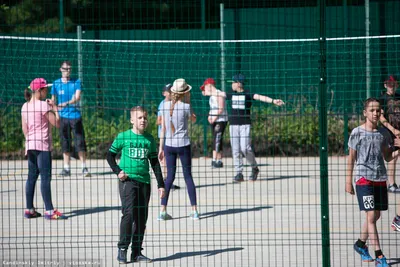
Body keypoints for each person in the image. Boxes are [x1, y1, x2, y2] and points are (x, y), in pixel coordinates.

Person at [106, 106, 165, 264]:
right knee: (129, 214)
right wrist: (118, 171)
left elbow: (154, 162)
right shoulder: (123, 137)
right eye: (139, 118)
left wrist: (161, 184)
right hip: (128, 181)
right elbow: (110, 156)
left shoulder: (149, 139)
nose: (143, 120)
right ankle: (122, 249)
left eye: (145, 117)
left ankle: (137, 252)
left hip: (144, 182)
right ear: (132, 120)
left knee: (141, 218)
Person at [346, 98, 399, 267]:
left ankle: (360, 244)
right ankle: (379, 255)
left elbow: (388, 156)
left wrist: (398, 149)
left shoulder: (383, 133)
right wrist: (348, 180)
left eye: (378, 111)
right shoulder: (357, 132)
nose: (375, 113)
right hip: (363, 180)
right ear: (365, 113)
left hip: (379, 179)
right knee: (370, 216)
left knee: (376, 215)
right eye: (372, 110)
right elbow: (351, 158)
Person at [202, 73, 284, 182]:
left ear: (239, 84)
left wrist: (273, 101)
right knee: (236, 150)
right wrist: (208, 89)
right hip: (233, 126)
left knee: (245, 148)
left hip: (245, 125)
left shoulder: (248, 94)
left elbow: (260, 97)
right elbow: (217, 93)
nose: (232, 85)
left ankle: (254, 168)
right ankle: (238, 173)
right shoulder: (230, 93)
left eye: (233, 83)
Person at [21, 78, 67, 220]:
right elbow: (57, 124)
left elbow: (25, 128)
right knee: (45, 178)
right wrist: (54, 109)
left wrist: (29, 141)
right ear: (39, 91)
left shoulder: (25, 106)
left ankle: (29, 209)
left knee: (31, 177)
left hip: (30, 144)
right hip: (42, 145)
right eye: (45, 88)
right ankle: (49, 211)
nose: (47, 90)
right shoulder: (43, 106)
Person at [158, 78, 199, 220]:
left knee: (169, 178)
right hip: (183, 145)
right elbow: (194, 119)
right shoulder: (186, 107)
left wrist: (160, 147)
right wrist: (189, 103)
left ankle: (162, 211)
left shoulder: (164, 106)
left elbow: (162, 128)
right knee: (188, 176)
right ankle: (194, 210)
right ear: (185, 92)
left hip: (169, 145)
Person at [51, 60, 90, 177]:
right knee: (65, 142)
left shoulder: (76, 82)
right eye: (65, 69)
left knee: (80, 142)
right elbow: (53, 101)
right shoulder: (56, 83)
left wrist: (66, 103)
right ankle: (66, 168)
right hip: (63, 117)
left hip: (75, 116)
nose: (67, 71)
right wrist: (56, 114)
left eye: (69, 69)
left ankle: (84, 168)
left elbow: (77, 98)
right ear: (60, 69)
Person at [200, 78, 228, 168]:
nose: (204, 90)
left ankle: (216, 160)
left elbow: (221, 108)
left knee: (217, 139)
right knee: (215, 139)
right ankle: (217, 160)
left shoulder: (219, 94)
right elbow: (213, 108)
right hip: (214, 120)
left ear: (209, 86)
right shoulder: (212, 96)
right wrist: (209, 116)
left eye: (205, 87)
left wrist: (214, 117)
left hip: (220, 120)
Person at [379, 75, 400, 193]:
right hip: (389, 132)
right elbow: (381, 118)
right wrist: (392, 129)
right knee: (393, 157)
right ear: (385, 85)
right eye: (389, 84)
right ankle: (391, 184)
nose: (391, 86)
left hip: (399, 131)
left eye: (393, 84)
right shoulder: (382, 98)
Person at [157, 83, 180, 190]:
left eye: (172, 91)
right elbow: (159, 121)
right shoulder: (163, 105)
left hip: (172, 134)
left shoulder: (175, 103)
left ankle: (168, 180)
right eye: (168, 91)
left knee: (170, 158)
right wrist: (167, 119)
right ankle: (166, 180)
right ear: (164, 93)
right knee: (165, 158)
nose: (171, 93)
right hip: (165, 133)